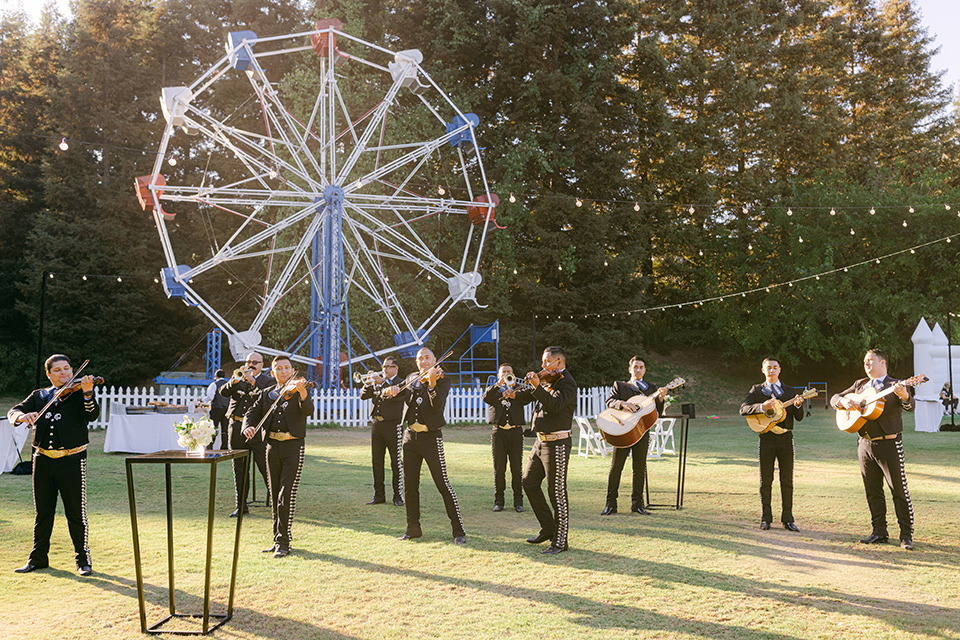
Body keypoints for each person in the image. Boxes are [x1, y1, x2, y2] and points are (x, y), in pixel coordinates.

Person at [8, 355, 99, 576]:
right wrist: (22, 416)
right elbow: (13, 411)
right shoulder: (39, 396)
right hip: (43, 460)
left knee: (75, 512)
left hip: (72, 460)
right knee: (43, 512)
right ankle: (38, 558)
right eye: (57, 370)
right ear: (49, 374)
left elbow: (92, 415)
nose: (64, 373)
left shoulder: (80, 393)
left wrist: (87, 393)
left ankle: (82, 559)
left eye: (67, 369)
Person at [831, 349, 915, 550]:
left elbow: (910, 406)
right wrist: (843, 401)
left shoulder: (895, 384)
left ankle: (906, 535)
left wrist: (904, 396)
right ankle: (879, 532)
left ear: (883, 363)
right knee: (873, 491)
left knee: (898, 489)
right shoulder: (860, 385)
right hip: (865, 444)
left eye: (871, 361)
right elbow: (835, 398)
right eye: (865, 362)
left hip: (889, 444)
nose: (866, 365)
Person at [243, 354, 313, 558]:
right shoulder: (266, 393)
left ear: (292, 371)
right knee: (274, 495)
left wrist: (302, 393)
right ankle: (277, 539)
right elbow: (252, 413)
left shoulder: (300, 389)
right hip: (272, 447)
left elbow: (308, 410)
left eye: (287, 368)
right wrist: (248, 426)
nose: (283, 372)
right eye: (279, 369)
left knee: (286, 495)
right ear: (272, 373)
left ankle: (284, 541)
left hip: (293, 446)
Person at [395, 347, 465, 544]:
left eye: (427, 358)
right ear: (416, 362)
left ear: (434, 360)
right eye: (420, 358)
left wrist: (432, 384)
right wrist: (389, 390)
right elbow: (399, 391)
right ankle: (413, 529)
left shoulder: (442, 379)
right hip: (410, 438)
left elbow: (438, 404)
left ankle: (458, 530)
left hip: (431, 437)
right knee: (410, 486)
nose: (423, 361)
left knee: (442, 484)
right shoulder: (411, 377)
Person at [517, 346, 577, 555]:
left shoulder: (567, 383)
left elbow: (554, 405)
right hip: (540, 442)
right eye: (543, 362)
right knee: (529, 482)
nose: (543, 366)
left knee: (557, 491)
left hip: (557, 443)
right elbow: (528, 397)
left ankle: (561, 540)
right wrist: (512, 393)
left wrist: (537, 387)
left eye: (546, 362)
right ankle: (548, 528)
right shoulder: (548, 380)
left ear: (559, 362)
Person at [739, 357, 805, 532]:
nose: (772, 370)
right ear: (763, 370)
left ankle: (788, 519)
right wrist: (761, 407)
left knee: (787, 480)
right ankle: (765, 518)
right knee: (765, 480)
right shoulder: (757, 390)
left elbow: (798, 418)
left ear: (780, 370)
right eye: (768, 368)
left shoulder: (790, 391)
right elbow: (743, 409)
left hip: (785, 439)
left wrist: (798, 405)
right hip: (766, 438)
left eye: (775, 367)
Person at [601, 356, 667, 516]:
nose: (638, 370)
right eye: (635, 367)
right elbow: (609, 401)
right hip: (622, 431)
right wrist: (623, 404)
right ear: (630, 369)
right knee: (616, 468)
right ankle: (611, 504)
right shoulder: (620, 386)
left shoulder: (652, 388)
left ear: (645, 370)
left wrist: (661, 398)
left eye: (641, 367)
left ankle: (637, 505)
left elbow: (657, 411)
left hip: (642, 432)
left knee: (639, 469)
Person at [219, 352, 273, 517]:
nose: (251, 364)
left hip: (256, 430)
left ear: (261, 365)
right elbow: (223, 392)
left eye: (255, 362)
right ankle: (241, 505)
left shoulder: (267, 381)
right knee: (239, 468)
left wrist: (253, 381)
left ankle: (277, 504)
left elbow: (268, 396)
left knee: (266, 467)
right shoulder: (238, 377)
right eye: (249, 361)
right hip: (236, 427)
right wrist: (233, 382)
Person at [482, 363, 529, 513]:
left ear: (513, 374)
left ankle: (518, 501)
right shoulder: (494, 390)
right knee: (499, 468)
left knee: (516, 467)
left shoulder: (520, 390)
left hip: (515, 433)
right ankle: (499, 501)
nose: (506, 374)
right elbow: (485, 397)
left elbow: (529, 397)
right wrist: (498, 384)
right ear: (498, 375)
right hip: (499, 432)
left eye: (509, 372)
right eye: (503, 372)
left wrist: (515, 392)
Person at [359, 356, 405, 506]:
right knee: (376, 462)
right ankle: (379, 495)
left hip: (393, 426)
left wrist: (382, 382)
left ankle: (398, 496)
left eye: (388, 367)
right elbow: (363, 396)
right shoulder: (377, 383)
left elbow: (396, 398)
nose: (384, 369)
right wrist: (367, 383)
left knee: (395, 462)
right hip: (377, 425)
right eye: (384, 366)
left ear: (395, 368)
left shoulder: (401, 383)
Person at [203, 369, 230, 449]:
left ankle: (210, 446)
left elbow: (211, 397)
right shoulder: (228, 384)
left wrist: (203, 400)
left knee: (213, 428)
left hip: (216, 408)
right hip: (227, 408)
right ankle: (224, 447)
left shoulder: (214, 384)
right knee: (225, 429)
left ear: (215, 376)